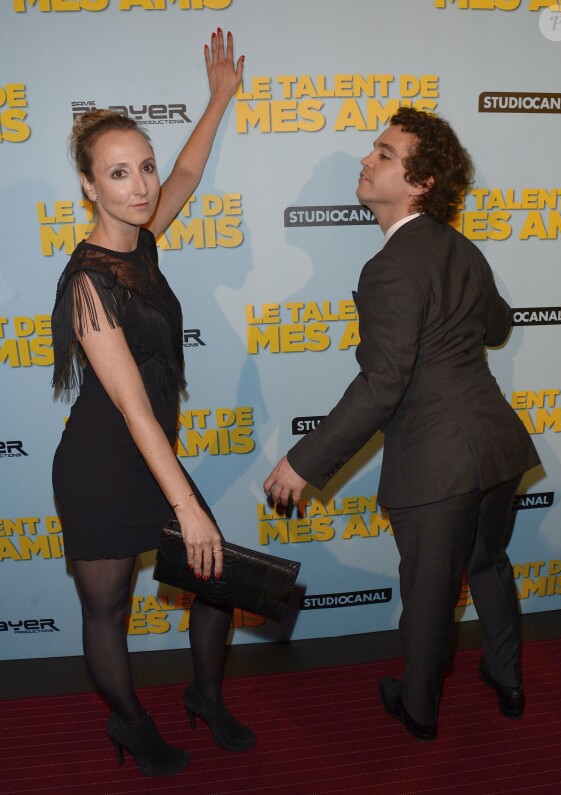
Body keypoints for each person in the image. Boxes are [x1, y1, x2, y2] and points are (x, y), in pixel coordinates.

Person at [263, 107, 540, 742]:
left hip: (438, 462)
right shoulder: (462, 249)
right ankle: (509, 679)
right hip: (497, 448)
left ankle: (418, 708)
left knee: (428, 594)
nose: (367, 161)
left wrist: (303, 462)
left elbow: (382, 384)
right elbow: (497, 326)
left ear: (419, 182)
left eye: (384, 154)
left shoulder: (387, 267)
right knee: (490, 564)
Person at [51, 30, 255, 777]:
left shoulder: (142, 242)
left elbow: (190, 174)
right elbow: (136, 410)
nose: (139, 186)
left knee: (215, 580)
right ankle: (132, 724)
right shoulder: (90, 283)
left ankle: (204, 696)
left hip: (149, 455)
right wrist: (190, 506)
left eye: (143, 167)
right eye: (118, 174)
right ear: (88, 185)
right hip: (103, 465)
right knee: (107, 612)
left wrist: (219, 98)